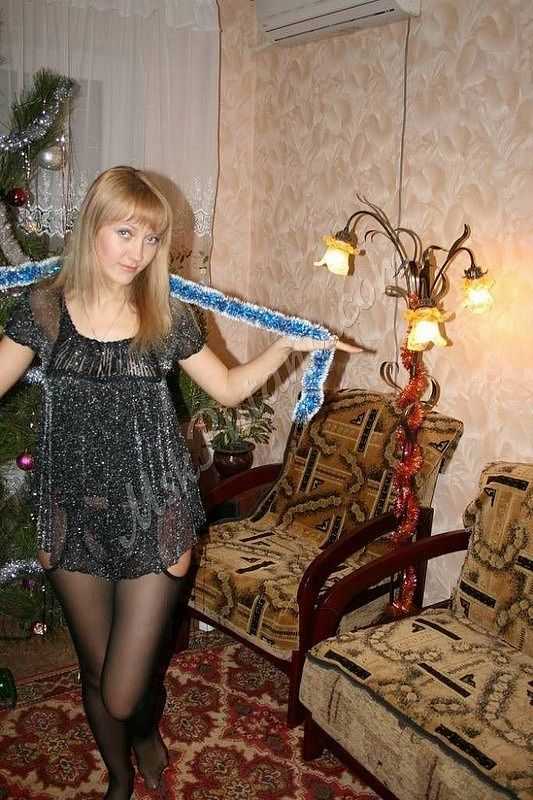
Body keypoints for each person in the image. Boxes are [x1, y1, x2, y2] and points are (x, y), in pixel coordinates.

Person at [0, 165, 361, 799]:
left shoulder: (165, 315)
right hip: (71, 512)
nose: (137, 253)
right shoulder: (44, 310)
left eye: (150, 239)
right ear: (92, 227)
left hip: (154, 509)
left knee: (123, 688)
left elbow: (228, 389)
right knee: (96, 670)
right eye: (125, 233)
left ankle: (143, 728)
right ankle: (120, 779)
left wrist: (285, 348)